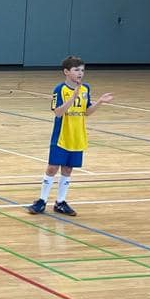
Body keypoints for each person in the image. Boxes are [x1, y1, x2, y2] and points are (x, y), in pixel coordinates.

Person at [27, 56, 113, 216]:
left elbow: (86, 112)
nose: (80, 73)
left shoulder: (85, 89)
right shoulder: (59, 89)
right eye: (76, 70)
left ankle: (60, 202)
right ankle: (42, 200)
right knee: (52, 167)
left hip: (77, 135)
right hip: (61, 135)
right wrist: (72, 98)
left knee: (68, 169)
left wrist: (100, 102)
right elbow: (58, 112)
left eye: (82, 70)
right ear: (66, 72)